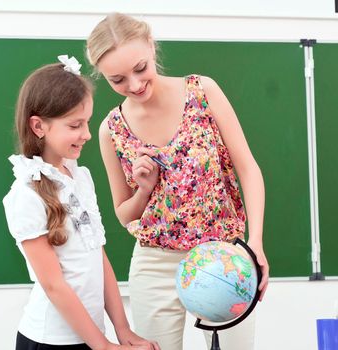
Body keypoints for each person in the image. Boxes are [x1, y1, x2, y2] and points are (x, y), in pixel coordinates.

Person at [86, 13, 270, 350]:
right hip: (154, 264)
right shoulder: (111, 129)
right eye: (118, 80)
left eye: (141, 68)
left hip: (222, 258)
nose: (135, 85)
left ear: (152, 47)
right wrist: (144, 188)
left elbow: (249, 170)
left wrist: (254, 243)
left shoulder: (202, 91)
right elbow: (125, 215)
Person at [2, 55, 160, 350]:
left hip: (90, 337)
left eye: (87, 122)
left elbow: (98, 257)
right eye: (75, 125)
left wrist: (122, 329)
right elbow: (54, 285)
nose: (87, 134)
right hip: (51, 341)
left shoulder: (79, 177)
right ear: (39, 126)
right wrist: (102, 345)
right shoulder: (26, 194)